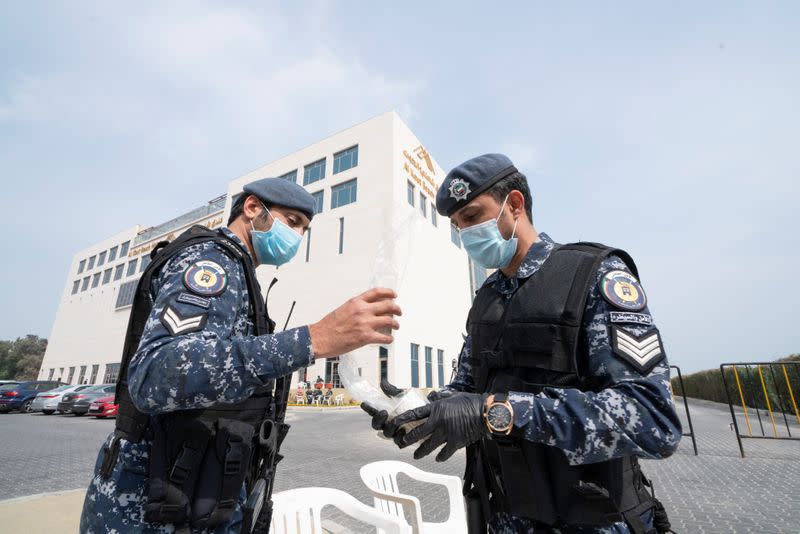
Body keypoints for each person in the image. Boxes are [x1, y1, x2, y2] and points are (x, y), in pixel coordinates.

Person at [363, 154, 681, 534]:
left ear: (515, 205)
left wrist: (496, 413)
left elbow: (653, 419)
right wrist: (417, 409)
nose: (465, 233)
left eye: (473, 215)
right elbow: (468, 390)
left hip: (590, 520)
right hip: (504, 516)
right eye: (457, 224)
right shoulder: (487, 298)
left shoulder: (593, 276)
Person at [81, 177, 401, 533]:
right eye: (292, 222)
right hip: (150, 507)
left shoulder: (240, 272)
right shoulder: (211, 262)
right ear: (253, 209)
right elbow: (156, 374)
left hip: (194, 494)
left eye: (304, 229)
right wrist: (312, 339)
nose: (296, 237)